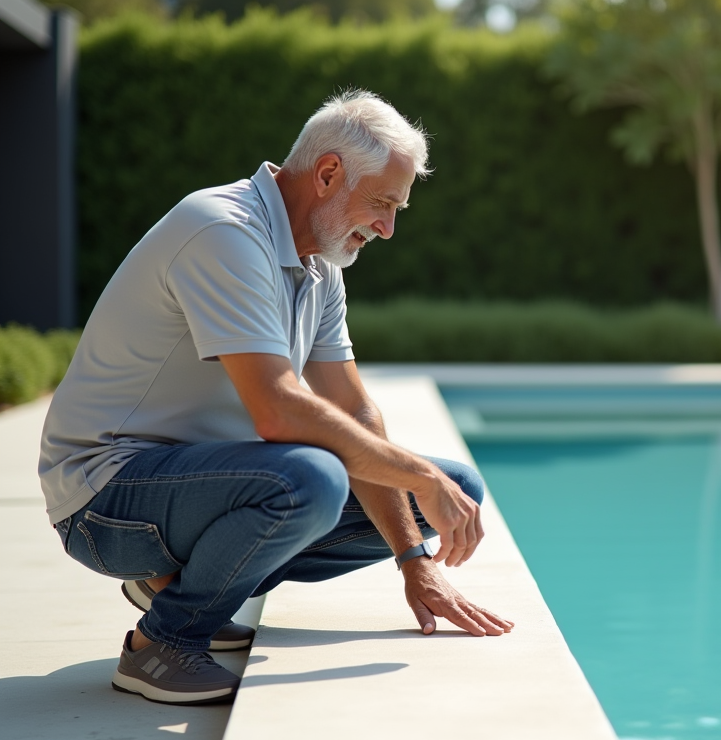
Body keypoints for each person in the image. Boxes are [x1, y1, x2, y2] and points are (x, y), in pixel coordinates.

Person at [38, 88, 513, 706]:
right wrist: (417, 473)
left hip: (196, 487)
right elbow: (277, 407)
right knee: (311, 478)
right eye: (382, 204)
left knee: (453, 493)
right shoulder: (222, 231)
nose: (388, 229)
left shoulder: (320, 267)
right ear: (328, 173)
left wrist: (414, 559)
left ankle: (177, 582)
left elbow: (351, 410)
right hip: (104, 499)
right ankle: (162, 645)